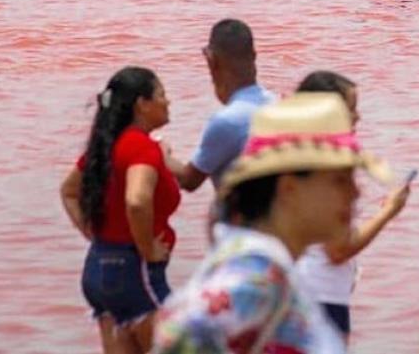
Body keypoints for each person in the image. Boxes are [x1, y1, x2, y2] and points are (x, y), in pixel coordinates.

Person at [154, 93, 392, 354]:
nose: (355, 193)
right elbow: (179, 335)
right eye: (340, 180)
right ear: (289, 189)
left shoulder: (271, 271)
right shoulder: (257, 281)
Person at [59, 67, 180, 354]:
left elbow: (68, 191)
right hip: (135, 273)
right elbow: (136, 201)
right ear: (142, 104)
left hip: (98, 269)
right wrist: (148, 248)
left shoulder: (104, 147)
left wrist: (93, 234)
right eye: (162, 94)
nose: (169, 101)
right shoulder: (141, 148)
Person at [293, 71, 411, 346]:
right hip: (322, 297)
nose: (358, 117)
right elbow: (338, 249)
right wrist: (389, 211)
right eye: (351, 109)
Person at [170, 20, 274, 194]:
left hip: (239, 218)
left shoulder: (226, 121)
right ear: (254, 55)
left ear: (212, 60)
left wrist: (157, 151)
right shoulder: (277, 104)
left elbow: (189, 180)